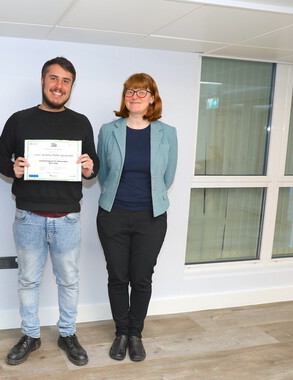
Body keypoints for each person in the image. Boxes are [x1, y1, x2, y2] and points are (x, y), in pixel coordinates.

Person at [0, 57, 99, 367]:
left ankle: (67, 334)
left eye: (66, 81)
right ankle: (31, 334)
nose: (59, 86)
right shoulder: (19, 120)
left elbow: (93, 166)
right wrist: (13, 168)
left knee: (69, 281)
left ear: (71, 87)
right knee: (28, 281)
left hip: (67, 218)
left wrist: (91, 169)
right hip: (28, 217)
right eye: (53, 78)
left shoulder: (81, 122)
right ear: (42, 81)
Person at [96, 73, 177, 362]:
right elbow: (104, 173)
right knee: (117, 276)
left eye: (142, 92)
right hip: (113, 216)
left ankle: (136, 334)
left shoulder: (167, 133)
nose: (135, 96)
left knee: (141, 278)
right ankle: (121, 333)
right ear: (124, 97)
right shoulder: (109, 130)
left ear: (153, 98)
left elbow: (167, 178)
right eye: (130, 91)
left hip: (151, 218)